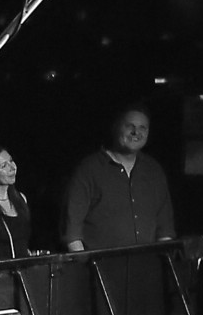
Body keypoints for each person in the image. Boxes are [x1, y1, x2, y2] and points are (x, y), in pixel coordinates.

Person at [62, 106, 173, 252]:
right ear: (116, 127)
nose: (136, 132)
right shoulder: (89, 169)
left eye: (142, 128)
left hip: (146, 264)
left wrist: (162, 261)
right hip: (100, 265)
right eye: (130, 126)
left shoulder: (154, 171)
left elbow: (165, 229)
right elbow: (72, 230)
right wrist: (85, 262)